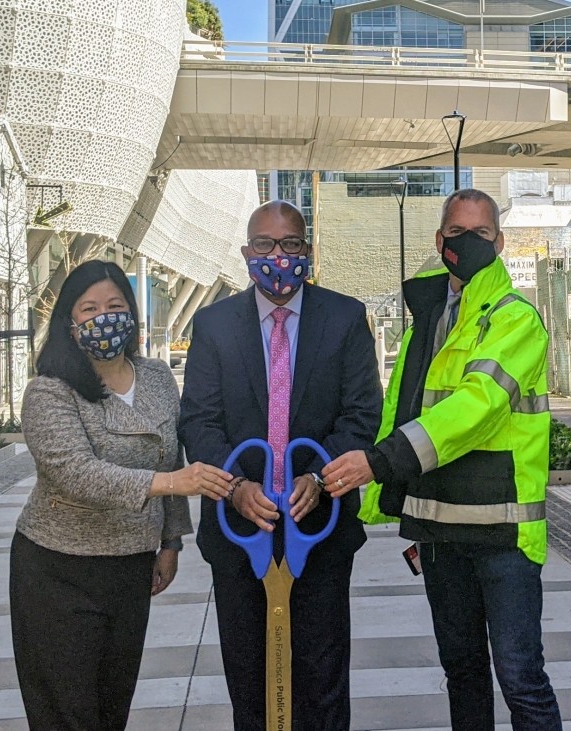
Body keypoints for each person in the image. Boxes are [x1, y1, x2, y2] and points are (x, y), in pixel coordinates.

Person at [328, 188, 562, 730]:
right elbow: (403, 408)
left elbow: (475, 409)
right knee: (462, 673)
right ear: (439, 240)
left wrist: (381, 464)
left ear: (500, 242)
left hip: (503, 533)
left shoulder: (514, 318)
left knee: (521, 678)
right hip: (440, 533)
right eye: (457, 233)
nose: (468, 242)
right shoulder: (427, 320)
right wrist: (391, 497)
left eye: (481, 234)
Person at [178, 200, 382, 730]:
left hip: (321, 530)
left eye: (290, 245)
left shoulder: (344, 318)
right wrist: (235, 486)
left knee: (322, 681)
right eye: (265, 245)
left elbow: (362, 415)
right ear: (247, 253)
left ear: (307, 252)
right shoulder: (213, 324)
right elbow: (198, 422)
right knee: (250, 682)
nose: (278, 256)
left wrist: (319, 477)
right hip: (237, 531)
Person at [12, 260, 234, 730]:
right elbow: (76, 473)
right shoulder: (50, 390)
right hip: (59, 568)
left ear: (131, 314)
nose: (103, 317)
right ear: (69, 324)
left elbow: (169, 455)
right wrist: (174, 485)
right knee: (67, 713)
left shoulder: (155, 377)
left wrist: (171, 541)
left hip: (131, 566)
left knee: (112, 706)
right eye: (89, 308)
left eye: (114, 306)